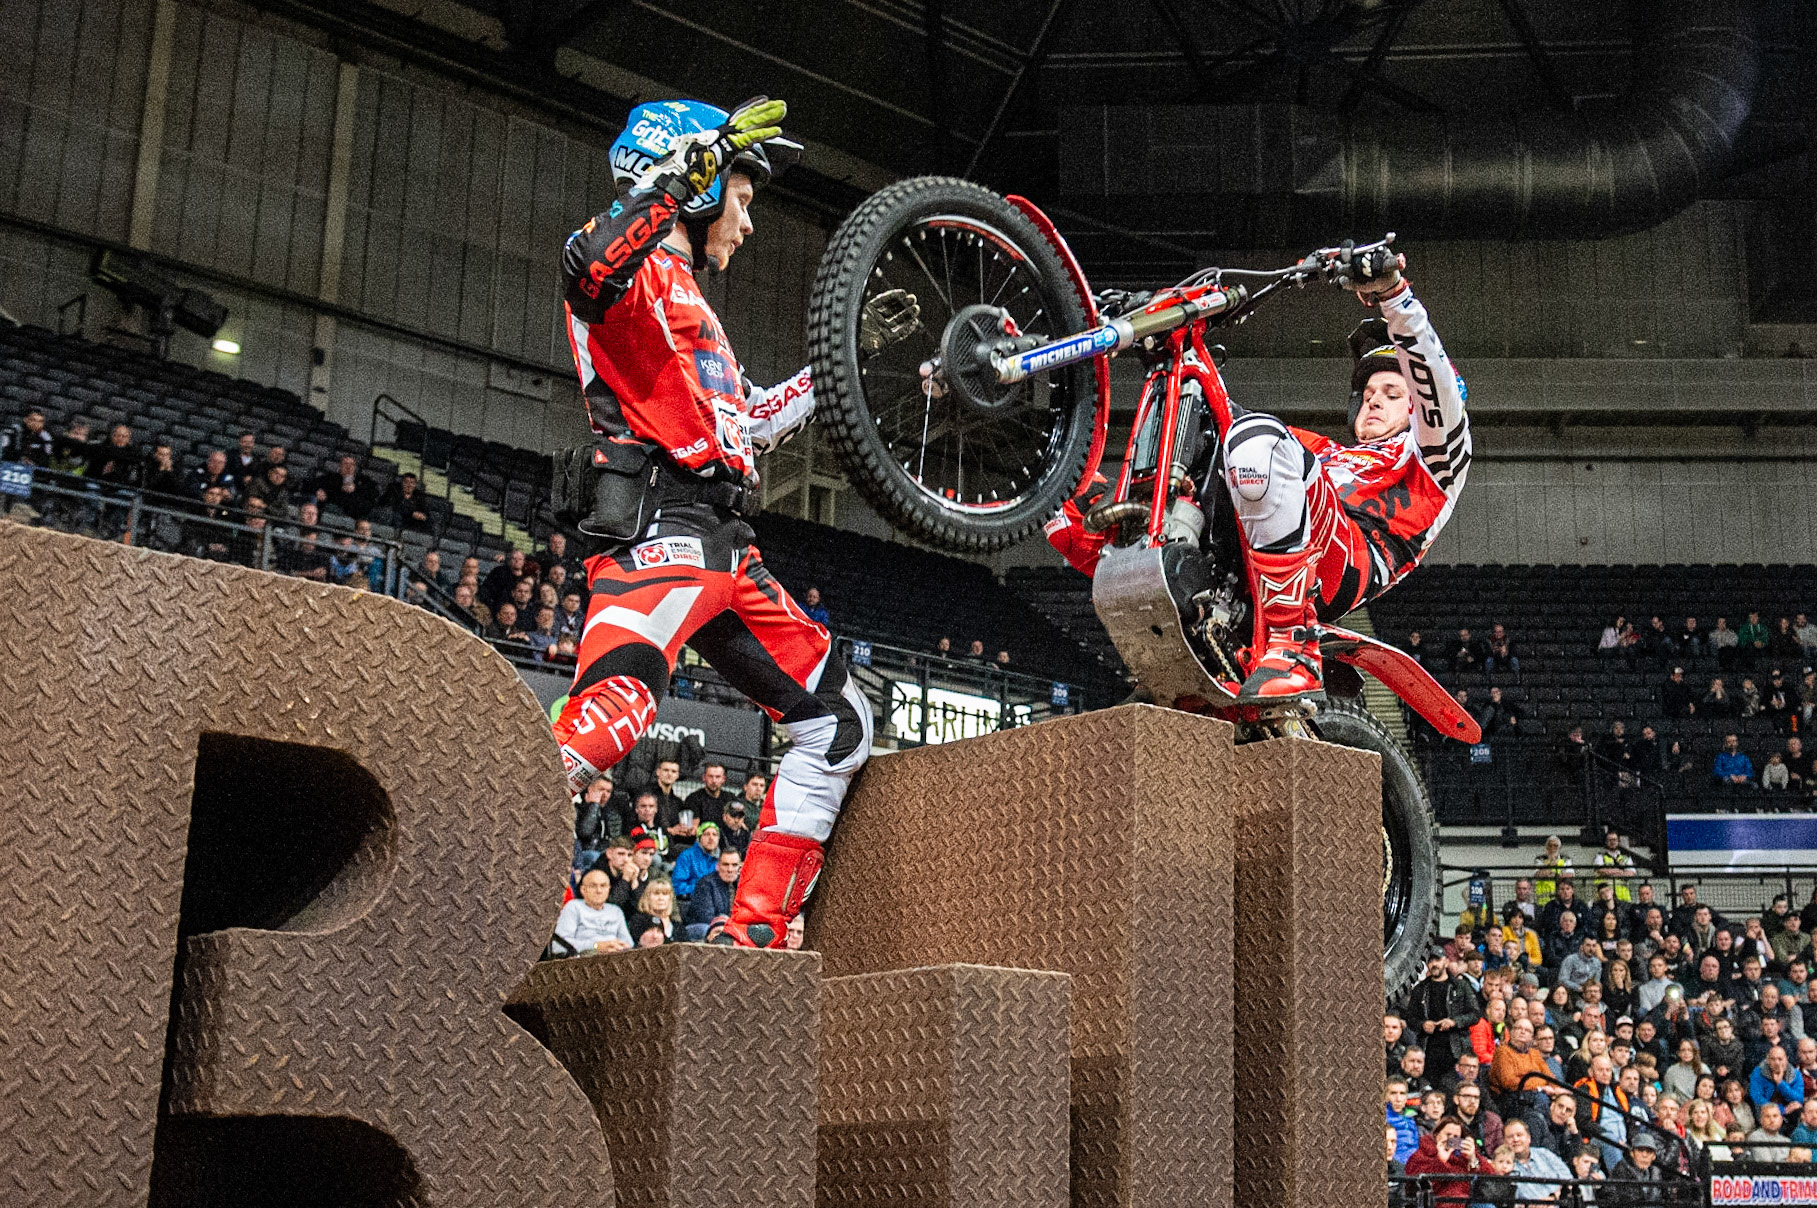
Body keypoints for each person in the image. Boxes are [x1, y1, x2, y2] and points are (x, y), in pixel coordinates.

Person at [549, 98, 867, 950]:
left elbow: (750, 420)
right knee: (614, 714)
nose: (750, 219)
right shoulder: (625, 264)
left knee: (840, 723)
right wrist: (677, 180)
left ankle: (753, 934)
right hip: (656, 526)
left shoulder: (690, 299)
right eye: (742, 192)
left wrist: (845, 363)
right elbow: (585, 268)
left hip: (729, 546)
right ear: (693, 183)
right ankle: (451, 855)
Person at [1043, 241, 1468, 702]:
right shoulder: (1326, 452)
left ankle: (1294, 645)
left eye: (1389, 390)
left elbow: (1435, 384)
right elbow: (1226, 419)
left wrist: (1395, 298)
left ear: (1417, 405)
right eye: (1367, 391)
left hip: (1342, 561)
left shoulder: (1434, 460)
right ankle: (1128, 551)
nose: (1372, 398)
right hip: (1263, 551)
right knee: (1075, 492)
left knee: (1257, 441)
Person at [1405, 1117, 1485, 1208]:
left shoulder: (1463, 1157)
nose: (1451, 1139)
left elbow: (1485, 1181)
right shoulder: (1421, 1154)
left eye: (1456, 1137)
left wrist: (1473, 1158)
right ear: (1436, 1134)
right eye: (1448, 1134)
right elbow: (1418, 1187)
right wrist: (1440, 1161)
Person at [551, 869, 633, 956]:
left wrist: (618, 946)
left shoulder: (615, 911)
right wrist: (596, 946)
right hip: (584, 960)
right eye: (593, 886)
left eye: (603, 886)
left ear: (609, 889)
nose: (599, 891)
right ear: (583, 890)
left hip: (615, 958)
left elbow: (628, 943)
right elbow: (558, 946)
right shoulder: (573, 907)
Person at [670, 821, 723, 899]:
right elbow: (677, 886)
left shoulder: (722, 860)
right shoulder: (687, 856)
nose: (711, 838)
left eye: (714, 835)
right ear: (699, 838)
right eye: (706, 834)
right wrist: (702, 890)